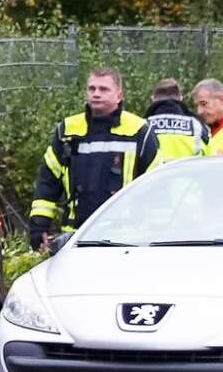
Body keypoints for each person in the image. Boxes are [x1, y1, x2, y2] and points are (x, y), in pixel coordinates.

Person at [29, 68, 158, 242]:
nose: (96, 94)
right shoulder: (68, 129)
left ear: (119, 96)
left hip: (127, 238)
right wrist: (39, 225)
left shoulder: (139, 131)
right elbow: (48, 180)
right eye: (92, 89)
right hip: (76, 235)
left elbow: (156, 185)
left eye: (103, 89)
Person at [144, 77, 209, 169]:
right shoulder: (197, 126)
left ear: (153, 98)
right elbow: (210, 158)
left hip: (153, 182)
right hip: (189, 182)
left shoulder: (144, 126)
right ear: (180, 98)